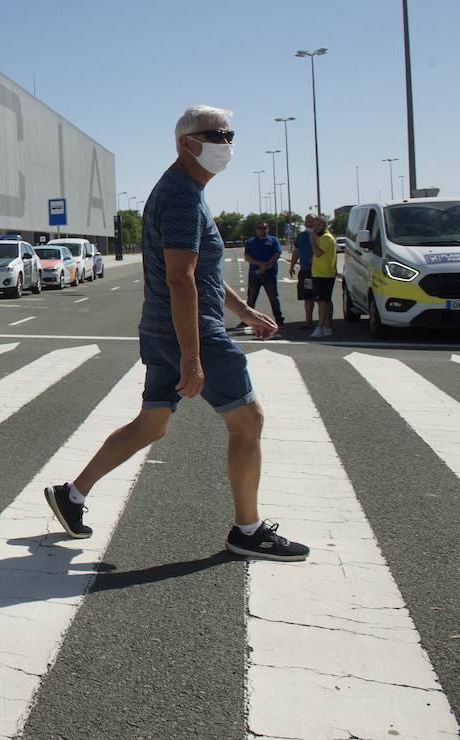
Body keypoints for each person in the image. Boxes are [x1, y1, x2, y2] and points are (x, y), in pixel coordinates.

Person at [43, 105, 309, 562]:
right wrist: (192, 355)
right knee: (248, 421)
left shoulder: (186, 190)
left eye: (229, 135)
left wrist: (245, 311)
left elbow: (200, 271)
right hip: (192, 332)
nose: (226, 144)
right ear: (187, 143)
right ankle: (248, 530)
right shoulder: (183, 196)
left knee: (151, 424)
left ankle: (72, 494)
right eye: (216, 136)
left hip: (165, 329)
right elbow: (180, 279)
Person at [237, 221, 285, 332]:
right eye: (259, 228)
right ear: (256, 229)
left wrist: (267, 264)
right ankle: (246, 320)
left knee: (273, 297)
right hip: (255, 274)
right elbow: (247, 257)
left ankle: (279, 319)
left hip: (270, 273)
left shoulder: (273, 240)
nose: (261, 230)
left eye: (264, 228)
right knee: (251, 297)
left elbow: (277, 254)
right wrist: (260, 264)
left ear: (267, 228)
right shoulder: (251, 241)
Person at [308, 214, 337, 338]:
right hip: (320, 273)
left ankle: (320, 327)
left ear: (323, 226)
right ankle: (327, 326)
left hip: (324, 274)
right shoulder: (321, 237)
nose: (314, 227)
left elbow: (318, 253)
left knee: (322, 302)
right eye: (313, 225)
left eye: (317, 225)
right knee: (325, 301)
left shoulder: (326, 238)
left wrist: (313, 241)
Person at [288, 222, 315, 330]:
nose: (309, 223)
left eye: (311, 220)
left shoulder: (322, 235)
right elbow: (296, 251)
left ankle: (326, 323)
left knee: (323, 299)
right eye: (307, 221)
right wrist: (292, 266)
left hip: (320, 272)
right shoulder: (302, 236)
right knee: (308, 296)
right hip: (306, 271)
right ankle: (308, 321)